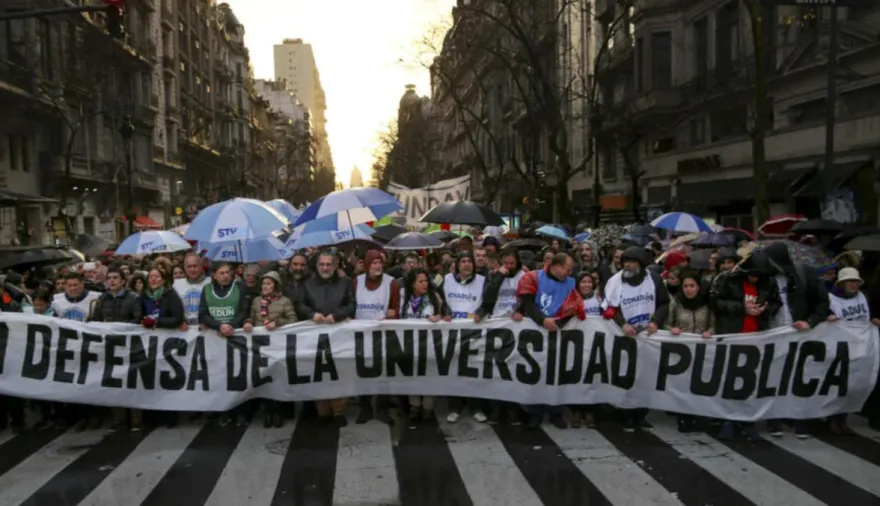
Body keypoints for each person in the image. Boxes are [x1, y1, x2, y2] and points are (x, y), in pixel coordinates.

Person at [710, 252, 781, 441]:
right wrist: (742, 308)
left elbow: (776, 303)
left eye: (759, 276)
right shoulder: (727, 279)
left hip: (756, 338)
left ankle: (747, 421)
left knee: (751, 383)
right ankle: (727, 420)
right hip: (732, 335)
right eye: (752, 274)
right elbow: (715, 301)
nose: (754, 278)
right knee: (729, 380)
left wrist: (766, 309)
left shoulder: (769, 283)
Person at [763, 241, 830, 438]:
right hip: (773, 335)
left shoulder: (804, 274)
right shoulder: (765, 278)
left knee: (800, 379)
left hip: (800, 336)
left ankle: (800, 420)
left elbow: (822, 301)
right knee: (773, 378)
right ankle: (774, 421)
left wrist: (811, 321)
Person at [602, 246, 669, 430]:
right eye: (624, 262)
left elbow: (664, 303)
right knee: (626, 374)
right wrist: (622, 324)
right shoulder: (615, 282)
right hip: (625, 336)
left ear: (640, 264)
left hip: (647, 336)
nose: (626, 266)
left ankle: (641, 414)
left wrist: (656, 321)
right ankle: (625, 414)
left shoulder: (654, 280)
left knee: (646, 376)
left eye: (631, 262)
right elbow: (608, 309)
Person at [517, 252, 581, 429]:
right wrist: (543, 321)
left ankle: (555, 411)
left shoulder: (571, 283)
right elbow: (528, 304)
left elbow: (574, 307)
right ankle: (535, 412)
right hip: (536, 332)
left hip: (558, 333)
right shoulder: (533, 277)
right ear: (557, 266)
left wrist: (559, 323)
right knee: (535, 373)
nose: (569, 273)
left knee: (556, 374)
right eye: (567, 269)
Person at [296, 251, 356, 426]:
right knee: (318, 373)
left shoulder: (345, 283)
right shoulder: (307, 284)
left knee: (340, 372)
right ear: (317, 266)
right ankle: (322, 411)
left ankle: (338, 412)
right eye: (322, 264)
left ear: (335, 266)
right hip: (315, 337)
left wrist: (336, 316)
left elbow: (351, 304)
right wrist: (311, 314)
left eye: (328, 264)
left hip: (340, 336)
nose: (325, 267)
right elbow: (300, 304)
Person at [826, 267, 880, 435]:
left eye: (856, 282)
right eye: (850, 281)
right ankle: (834, 418)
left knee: (853, 385)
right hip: (841, 348)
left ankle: (843, 418)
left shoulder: (863, 297)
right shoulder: (831, 299)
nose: (853, 285)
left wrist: (873, 320)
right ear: (842, 283)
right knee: (839, 385)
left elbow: (866, 316)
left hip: (860, 347)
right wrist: (828, 318)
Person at [439, 251, 487, 423]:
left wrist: (480, 313)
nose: (467, 264)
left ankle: (476, 407)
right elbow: (439, 300)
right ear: (457, 264)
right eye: (463, 261)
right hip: (453, 332)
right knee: (454, 370)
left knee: (474, 370)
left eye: (470, 261)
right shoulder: (446, 280)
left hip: (474, 332)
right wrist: (444, 312)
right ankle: (455, 407)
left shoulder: (482, 281)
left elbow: (488, 302)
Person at [352, 250, 400, 424]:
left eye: (380, 263)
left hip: (383, 335)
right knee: (361, 372)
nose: (378, 266)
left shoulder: (392, 283)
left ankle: (382, 408)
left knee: (383, 372)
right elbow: (351, 305)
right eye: (374, 263)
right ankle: (365, 407)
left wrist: (393, 314)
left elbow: (396, 308)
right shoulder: (356, 282)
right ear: (366, 265)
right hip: (360, 335)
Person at [199, 262, 250, 426]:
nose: (225, 275)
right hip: (215, 339)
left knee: (238, 376)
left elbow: (244, 310)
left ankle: (241, 412)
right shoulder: (206, 290)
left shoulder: (239, 287)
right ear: (214, 275)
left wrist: (232, 326)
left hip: (235, 337)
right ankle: (223, 410)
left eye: (228, 272)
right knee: (218, 377)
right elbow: (203, 314)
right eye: (221, 273)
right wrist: (219, 326)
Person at [244, 271, 297, 428]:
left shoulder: (284, 301)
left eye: (269, 284)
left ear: (276, 285)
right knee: (264, 377)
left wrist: (277, 322)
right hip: (260, 346)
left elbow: (293, 319)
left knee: (278, 376)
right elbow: (251, 317)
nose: (265, 287)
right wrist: (248, 322)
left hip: (279, 346)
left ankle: (279, 410)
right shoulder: (256, 301)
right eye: (263, 284)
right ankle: (267, 410)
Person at [666, 269, 714, 432]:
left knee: (700, 384)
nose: (688, 289)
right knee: (683, 385)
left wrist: (710, 332)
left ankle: (699, 416)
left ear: (698, 287)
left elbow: (714, 324)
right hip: (682, 351)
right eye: (685, 286)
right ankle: (684, 417)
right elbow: (666, 324)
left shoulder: (707, 304)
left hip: (702, 350)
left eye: (692, 285)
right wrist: (672, 329)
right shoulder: (676, 303)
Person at [399, 267, 448, 423]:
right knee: (410, 375)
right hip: (408, 346)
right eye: (421, 281)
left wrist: (440, 316)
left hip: (429, 346)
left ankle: (427, 407)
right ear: (412, 284)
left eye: (426, 281)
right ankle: (415, 405)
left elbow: (447, 313)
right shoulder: (403, 297)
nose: (425, 284)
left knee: (428, 375)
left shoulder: (435, 297)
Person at [139, 267, 185, 428]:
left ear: (164, 280)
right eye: (150, 277)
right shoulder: (144, 296)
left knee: (166, 378)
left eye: (157, 277)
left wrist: (158, 322)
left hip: (166, 344)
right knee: (149, 379)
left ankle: (169, 416)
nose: (153, 280)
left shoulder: (170, 295)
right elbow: (138, 316)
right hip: (148, 344)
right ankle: (151, 416)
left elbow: (177, 319)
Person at [0, 284, 23, 432]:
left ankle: (18, 420)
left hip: (11, 350)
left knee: (14, 388)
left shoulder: (12, 305)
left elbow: (21, 325)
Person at [173, 253, 210, 329]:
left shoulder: (211, 282)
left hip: (206, 328)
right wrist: (179, 322)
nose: (192, 269)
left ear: (201, 266)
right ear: (184, 268)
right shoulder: (176, 284)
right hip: (184, 328)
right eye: (189, 266)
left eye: (195, 266)